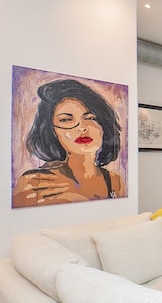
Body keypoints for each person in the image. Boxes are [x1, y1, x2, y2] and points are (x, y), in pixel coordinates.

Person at [12, 79, 126, 207]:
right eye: (66, 119)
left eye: (90, 118)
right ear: (52, 131)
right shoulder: (35, 183)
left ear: (103, 125)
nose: (82, 128)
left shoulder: (115, 182)